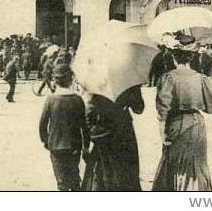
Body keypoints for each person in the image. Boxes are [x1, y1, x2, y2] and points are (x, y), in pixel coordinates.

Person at [152, 38, 212, 191]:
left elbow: (162, 109)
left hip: (175, 123)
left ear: (174, 57)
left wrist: (162, 133)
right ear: (192, 57)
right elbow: (211, 108)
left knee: (176, 164)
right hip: (197, 125)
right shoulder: (202, 79)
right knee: (197, 163)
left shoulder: (168, 78)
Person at [81, 85, 144, 191]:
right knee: (127, 171)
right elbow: (139, 109)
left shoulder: (95, 78)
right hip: (124, 131)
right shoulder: (127, 79)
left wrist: (87, 141)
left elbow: (89, 111)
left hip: (103, 132)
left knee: (104, 173)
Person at [38, 63, 88, 191]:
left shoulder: (51, 99)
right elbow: (85, 127)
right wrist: (86, 147)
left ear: (56, 81)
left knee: (61, 181)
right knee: (74, 177)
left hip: (55, 146)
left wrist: (46, 141)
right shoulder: (77, 100)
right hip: (74, 146)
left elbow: (42, 124)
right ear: (70, 80)